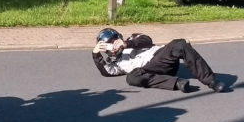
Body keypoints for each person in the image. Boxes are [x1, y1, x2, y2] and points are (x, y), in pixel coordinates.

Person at [91, 28, 227, 93]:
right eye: (108, 45)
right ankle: (178, 83)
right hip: (149, 71)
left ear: (119, 37)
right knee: (132, 77)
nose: (113, 46)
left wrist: (126, 44)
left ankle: (211, 81)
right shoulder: (117, 63)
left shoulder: (133, 38)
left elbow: (147, 40)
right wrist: (96, 55)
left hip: (161, 57)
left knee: (179, 43)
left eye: (114, 41)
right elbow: (106, 71)